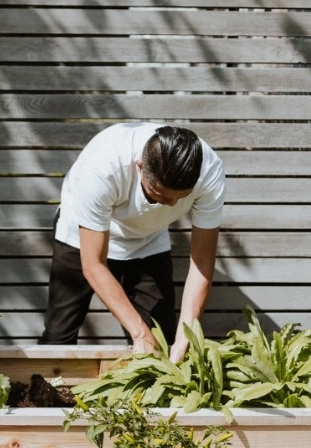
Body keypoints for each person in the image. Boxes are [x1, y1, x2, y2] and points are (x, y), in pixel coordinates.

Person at [38, 123, 226, 363]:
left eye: (179, 198)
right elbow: (93, 264)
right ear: (140, 167)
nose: (170, 205)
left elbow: (202, 261)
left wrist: (185, 337)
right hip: (80, 236)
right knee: (58, 336)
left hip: (148, 238)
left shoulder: (209, 172)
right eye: (158, 195)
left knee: (161, 339)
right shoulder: (103, 168)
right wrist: (139, 333)